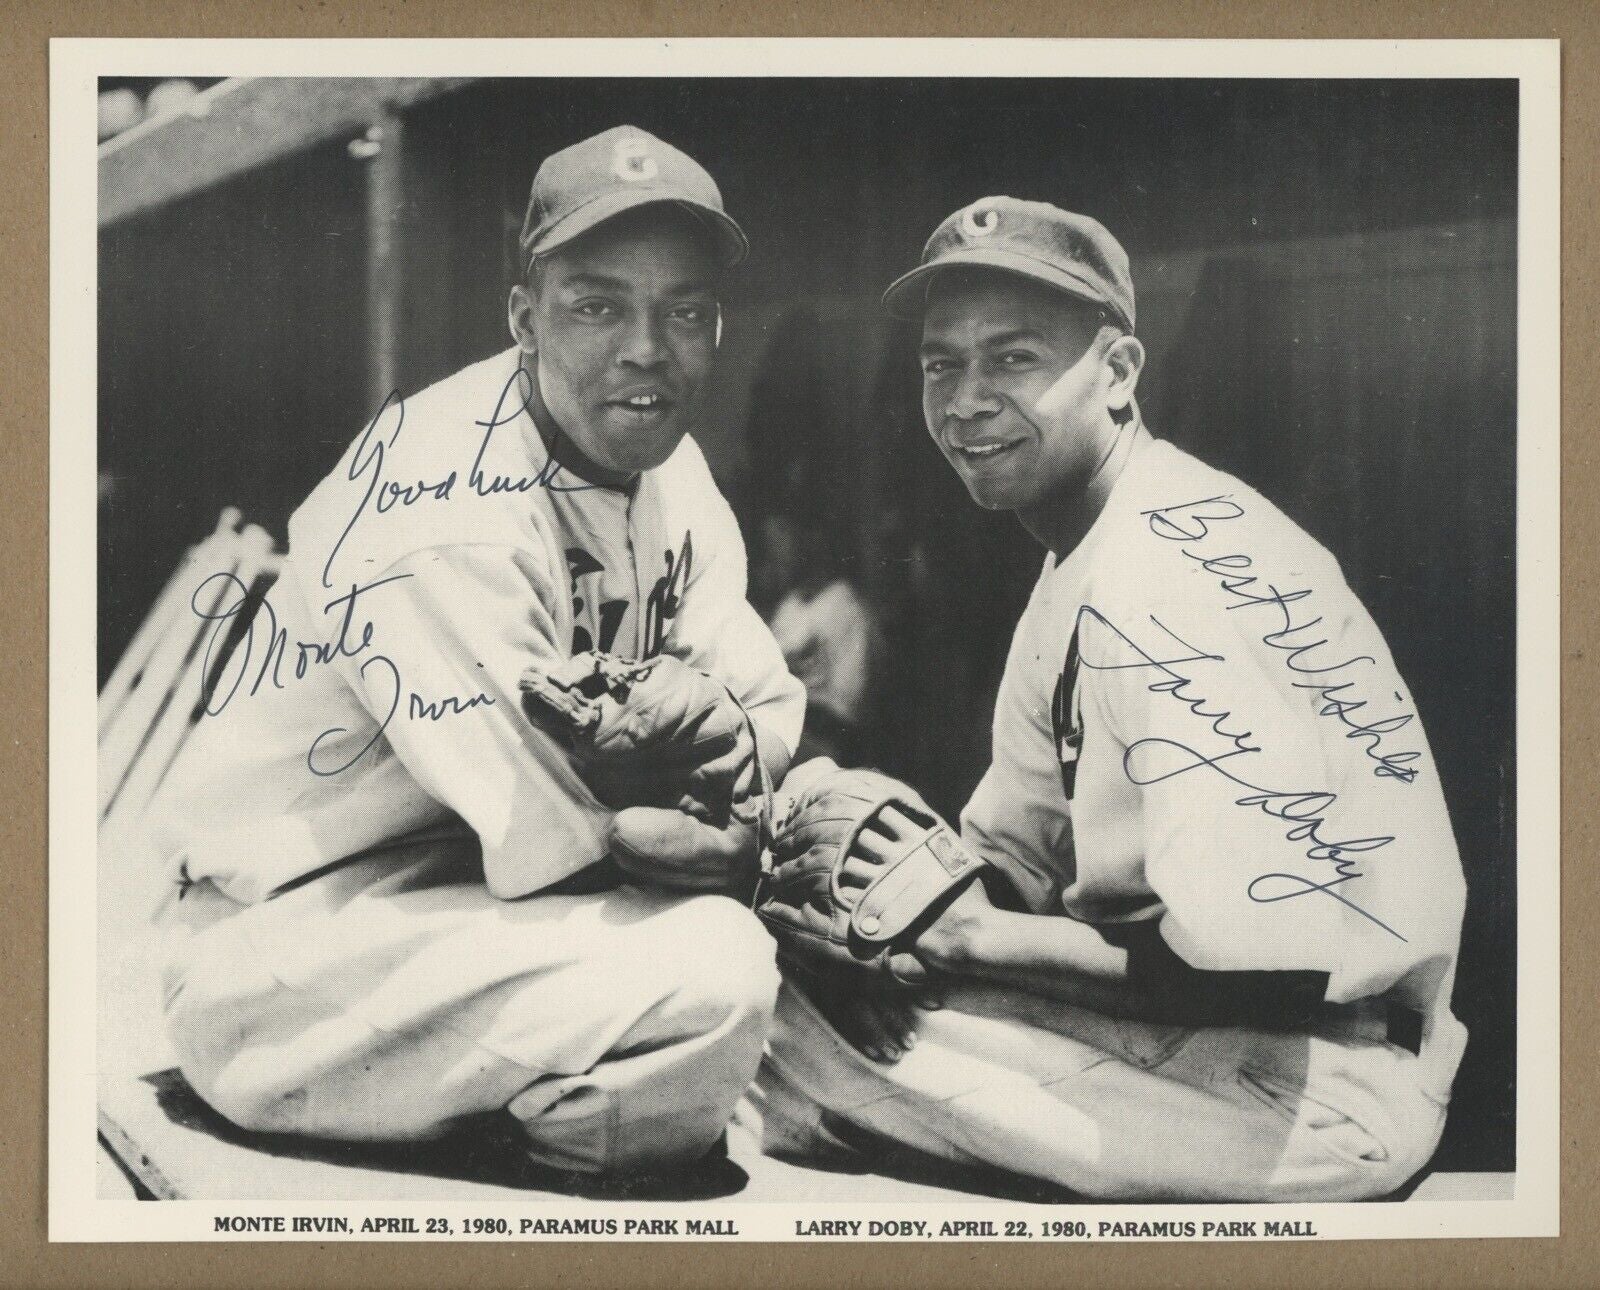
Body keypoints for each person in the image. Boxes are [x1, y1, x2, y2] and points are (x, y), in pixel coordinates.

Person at [755, 197, 1467, 1202]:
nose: (965, 401)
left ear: (1120, 373)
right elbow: (1012, 863)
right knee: (787, 979)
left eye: (1012, 359)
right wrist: (853, 919)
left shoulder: (1171, 568)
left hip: (1314, 1084)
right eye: (940, 364)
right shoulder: (1087, 557)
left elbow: (1277, 958)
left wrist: (957, 939)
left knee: (749, 1038)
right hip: (1226, 1054)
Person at [147, 126, 803, 1179]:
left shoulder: (663, 469)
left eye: (682, 310)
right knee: (723, 970)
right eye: (597, 306)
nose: (647, 347)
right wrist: (742, 841)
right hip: (289, 948)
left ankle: (547, 1107)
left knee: (804, 959)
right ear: (523, 321)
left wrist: (742, 793)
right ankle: (534, 1172)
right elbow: (560, 847)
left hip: (460, 920)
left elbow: (761, 709)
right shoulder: (439, 494)